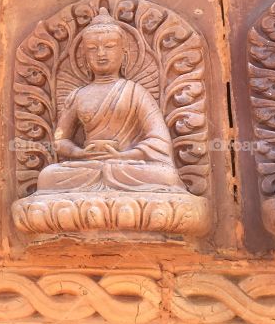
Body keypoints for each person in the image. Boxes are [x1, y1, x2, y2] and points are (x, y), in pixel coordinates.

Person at [32, 12, 189, 197]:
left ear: (124, 53)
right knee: (47, 176)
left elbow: (159, 141)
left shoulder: (136, 92)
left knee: (167, 176)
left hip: (126, 165)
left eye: (109, 46)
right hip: (89, 165)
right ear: (83, 56)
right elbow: (61, 141)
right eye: (92, 48)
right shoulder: (79, 95)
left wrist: (123, 156)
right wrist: (80, 153)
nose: (101, 54)